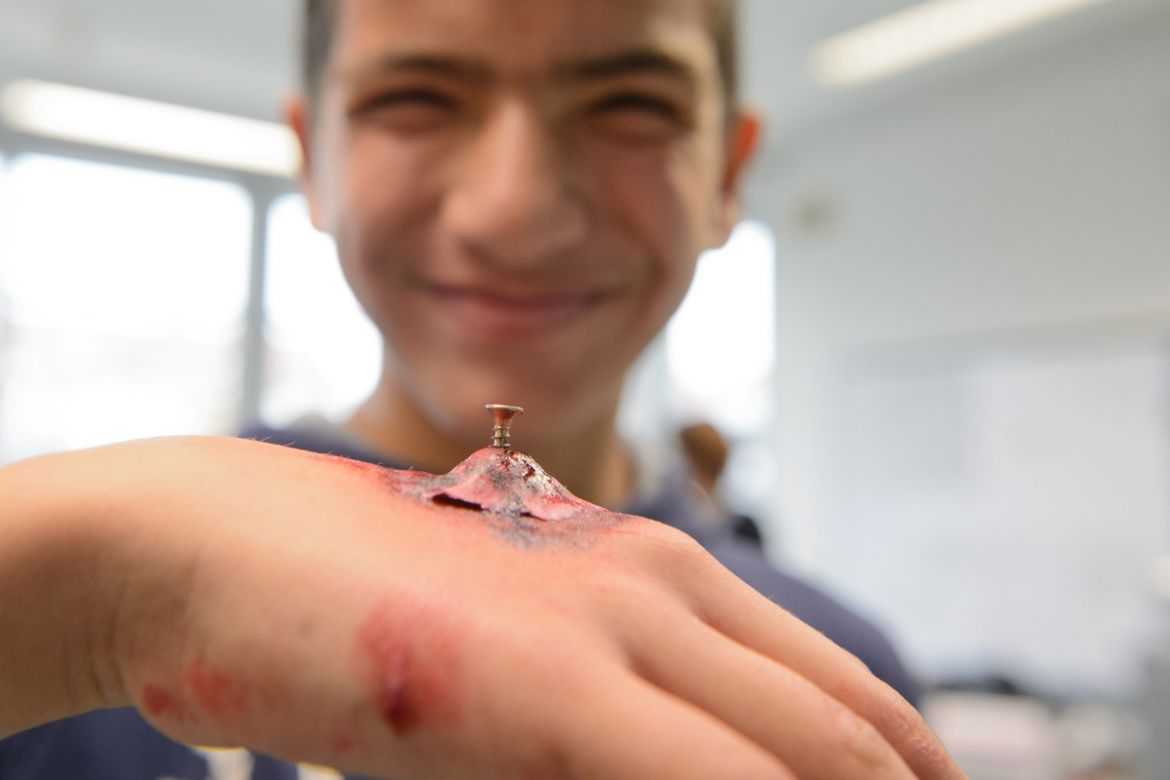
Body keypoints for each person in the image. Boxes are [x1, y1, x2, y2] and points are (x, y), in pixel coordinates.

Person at [0, 1, 965, 778]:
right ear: (313, 161)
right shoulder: (72, 649)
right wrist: (104, 588)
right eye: (415, 95)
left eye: (630, 103)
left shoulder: (826, 676)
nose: (515, 213)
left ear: (727, 174)